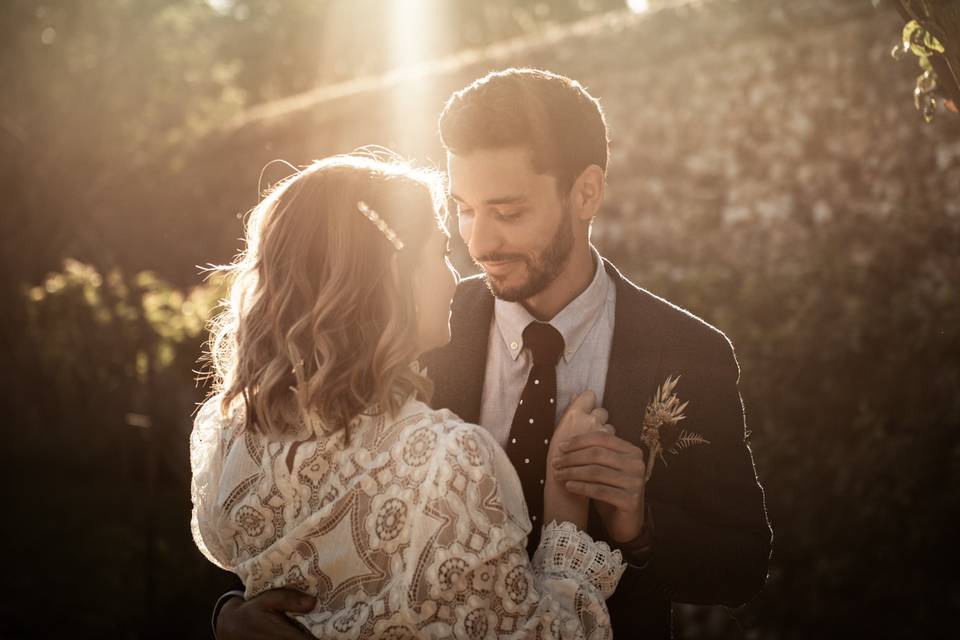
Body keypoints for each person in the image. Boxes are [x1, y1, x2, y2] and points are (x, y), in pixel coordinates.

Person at [215, 68, 773, 639]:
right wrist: (235, 614)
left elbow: (742, 565)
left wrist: (641, 527)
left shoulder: (690, 352)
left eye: (508, 213)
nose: (479, 243)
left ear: (586, 193)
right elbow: (292, 502)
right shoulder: (405, 328)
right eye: (464, 209)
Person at [190, 151, 628, 639]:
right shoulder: (448, 461)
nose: (455, 274)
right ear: (391, 273)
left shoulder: (231, 434)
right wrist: (566, 513)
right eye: (439, 250)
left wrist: (229, 614)